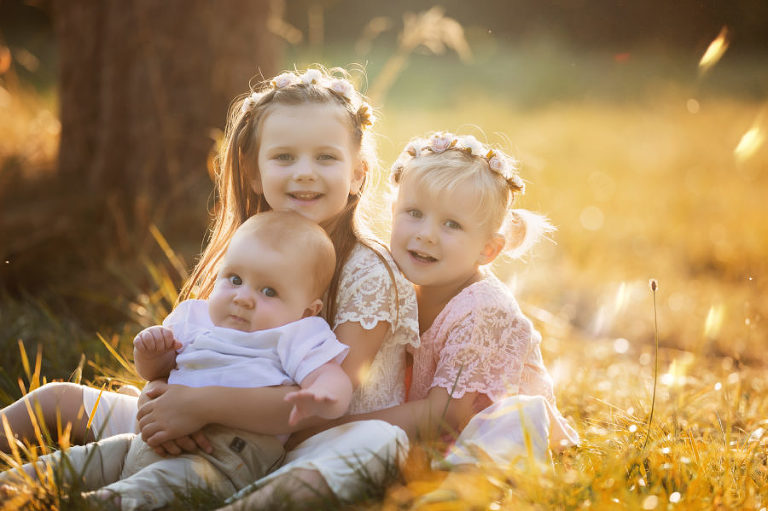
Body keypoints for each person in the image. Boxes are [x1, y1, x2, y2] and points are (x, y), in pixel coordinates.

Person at [1, 67, 420, 505]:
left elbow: (317, 407)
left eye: (326, 158)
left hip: (296, 441)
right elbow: (202, 348)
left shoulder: (369, 272)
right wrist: (160, 395)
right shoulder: (252, 247)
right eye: (284, 157)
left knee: (377, 440)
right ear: (253, 172)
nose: (305, 173)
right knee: (57, 399)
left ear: (357, 174)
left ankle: (236, 501)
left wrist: (198, 408)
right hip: (203, 419)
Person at [229, 132, 579, 508]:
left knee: (516, 418)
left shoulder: (485, 310)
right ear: (393, 213)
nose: (426, 235)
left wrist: (332, 427)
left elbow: (447, 414)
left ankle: (458, 490)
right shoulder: (395, 281)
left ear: (488, 249)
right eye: (414, 214)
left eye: (452, 225)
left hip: (477, 432)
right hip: (422, 435)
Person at [0, 211, 355, 509]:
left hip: (216, 460)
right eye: (234, 279)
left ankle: (98, 503)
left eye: (268, 291)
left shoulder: (296, 333)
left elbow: (331, 377)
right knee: (75, 462)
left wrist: (324, 393)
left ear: (307, 309)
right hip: (144, 442)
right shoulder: (196, 318)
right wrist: (153, 353)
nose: (243, 299)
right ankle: (14, 486)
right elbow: (157, 373)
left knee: (149, 489)